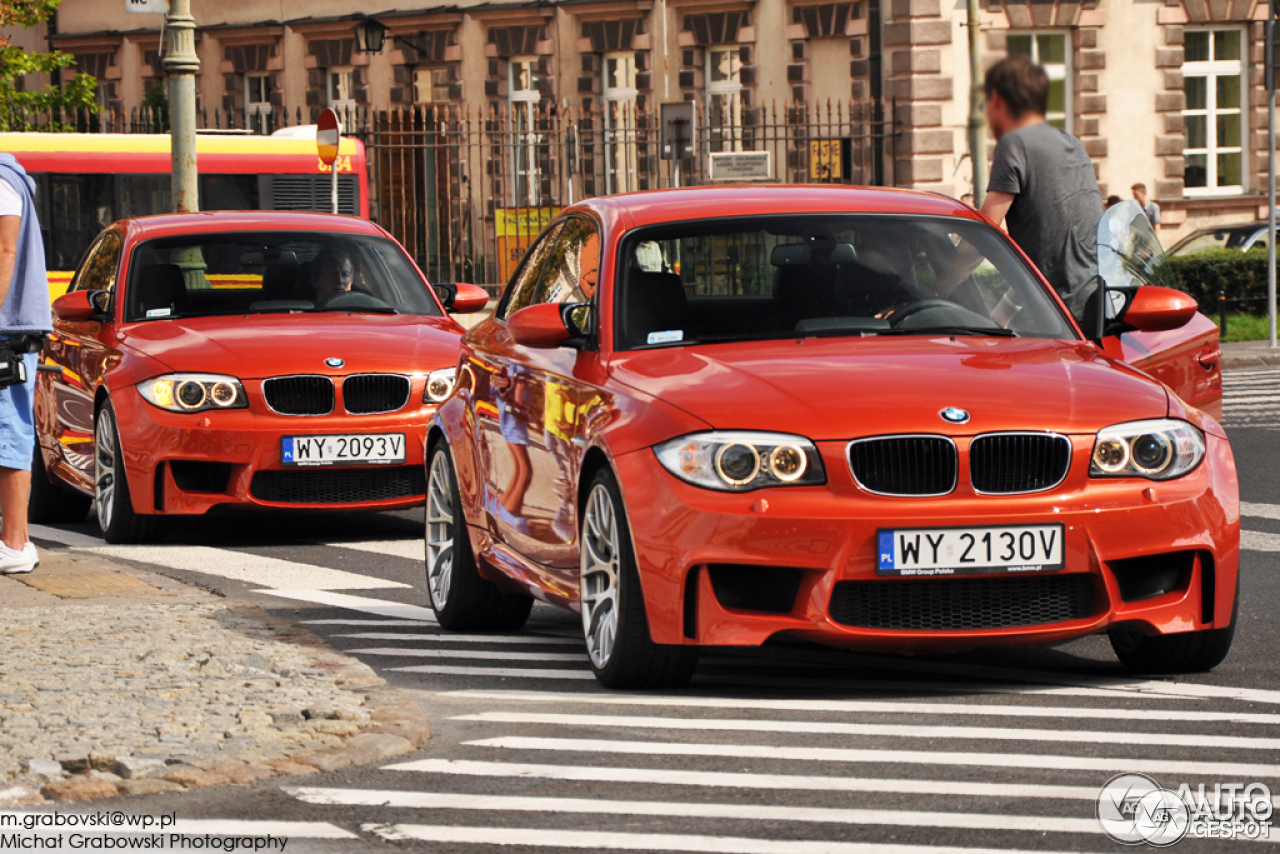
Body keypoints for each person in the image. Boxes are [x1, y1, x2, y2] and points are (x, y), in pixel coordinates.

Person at [980, 55, 1102, 329]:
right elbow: (1050, 247)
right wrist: (1002, 314)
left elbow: (983, 233)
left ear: (997, 100)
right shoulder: (1070, 142)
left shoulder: (1013, 144)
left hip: (1054, 317)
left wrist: (940, 284)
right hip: (1094, 306)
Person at [0, 154, 52, 575]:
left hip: (6, 330)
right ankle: (17, 541)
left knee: (8, 432)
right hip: (9, 326)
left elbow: (4, 249)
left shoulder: (1, 181)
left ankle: (14, 543)